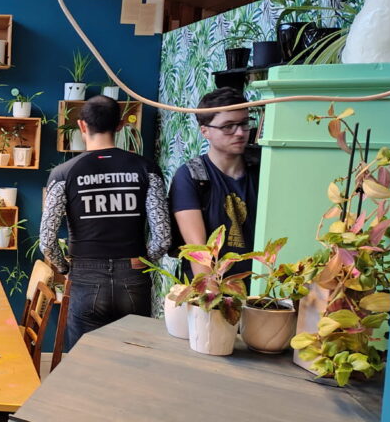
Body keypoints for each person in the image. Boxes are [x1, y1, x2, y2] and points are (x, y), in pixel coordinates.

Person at [40, 94, 171, 350]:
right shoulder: (147, 169)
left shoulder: (63, 174)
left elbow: (46, 240)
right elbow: (163, 237)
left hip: (85, 275)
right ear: (120, 125)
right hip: (133, 276)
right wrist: (142, 261)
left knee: (83, 361)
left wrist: (65, 268)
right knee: (132, 359)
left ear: (82, 125)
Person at [169, 87, 259, 275]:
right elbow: (198, 251)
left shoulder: (261, 170)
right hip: (209, 285)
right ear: (205, 131)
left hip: (261, 285)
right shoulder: (191, 176)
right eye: (228, 126)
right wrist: (210, 291)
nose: (240, 133)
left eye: (244, 123)